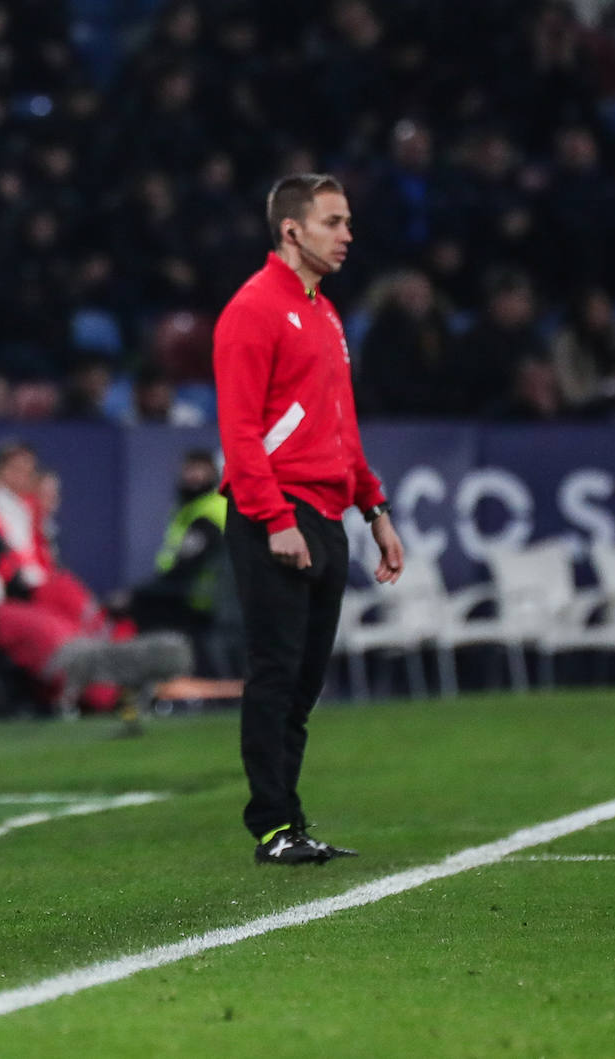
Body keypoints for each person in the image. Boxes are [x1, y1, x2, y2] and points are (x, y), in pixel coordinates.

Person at [214, 173, 404, 865]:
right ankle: (271, 825)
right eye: (334, 221)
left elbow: (340, 428)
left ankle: (289, 820)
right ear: (292, 230)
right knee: (275, 670)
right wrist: (274, 518)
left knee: (303, 682)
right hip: (278, 511)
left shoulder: (323, 312)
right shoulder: (253, 309)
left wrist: (374, 508)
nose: (348, 234)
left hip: (326, 511)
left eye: (348, 221)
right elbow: (239, 432)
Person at [128, 450, 241, 677]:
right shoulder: (187, 508)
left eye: (199, 469)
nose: (192, 476)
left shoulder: (209, 511)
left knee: (141, 603)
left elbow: (188, 565)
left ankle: (156, 677)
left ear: (213, 473)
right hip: (192, 593)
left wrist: (145, 591)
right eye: (189, 469)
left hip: (200, 597)